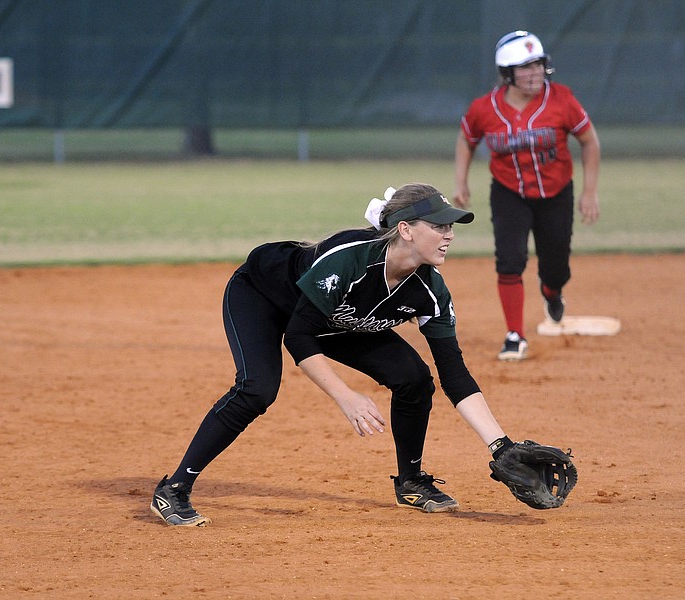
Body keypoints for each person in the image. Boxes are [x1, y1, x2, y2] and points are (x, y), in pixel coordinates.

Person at [150, 183, 531, 526]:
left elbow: (455, 373)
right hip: (264, 297)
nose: (449, 235)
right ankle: (175, 489)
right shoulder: (350, 261)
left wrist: (500, 445)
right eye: (439, 226)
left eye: (451, 228)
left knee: (414, 379)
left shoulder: (430, 291)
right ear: (406, 229)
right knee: (257, 389)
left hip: (337, 319)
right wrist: (345, 396)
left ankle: (411, 482)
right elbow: (299, 336)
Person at [453, 30, 601, 361]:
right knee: (509, 259)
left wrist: (589, 193)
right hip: (508, 192)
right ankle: (514, 334)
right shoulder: (484, 108)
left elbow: (589, 141)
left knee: (556, 265)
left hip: (556, 192)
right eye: (524, 67)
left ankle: (552, 291)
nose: (534, 73)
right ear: (507, 74)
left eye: (537, 65)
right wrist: (460, 181)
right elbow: (467, 138)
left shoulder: (561, 99)